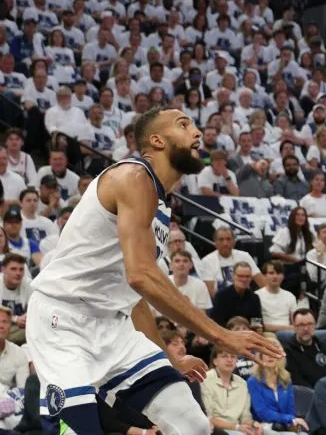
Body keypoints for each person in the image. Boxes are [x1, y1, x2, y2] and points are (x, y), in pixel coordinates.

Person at [26, 107, 282, 433]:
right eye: (183, 124)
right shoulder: (132, 177)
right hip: (61, 321)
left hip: (112, 327)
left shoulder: (160, 207)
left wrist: (169, 357)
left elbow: (133, 294)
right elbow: (141, 275)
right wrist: (221, 335)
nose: (197, 133)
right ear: (157, 140)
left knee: (194, 425)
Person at [248, 338, 309, 433]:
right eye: (267, 352)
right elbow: (262, 412)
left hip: (283, 426)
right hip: (262, 426)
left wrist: (292, 424)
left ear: (279, 356)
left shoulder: (286, 379)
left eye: (273, 352)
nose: (270, 356)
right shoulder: (253, 381)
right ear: (260, 356)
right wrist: (289, 419)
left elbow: (290, 409)